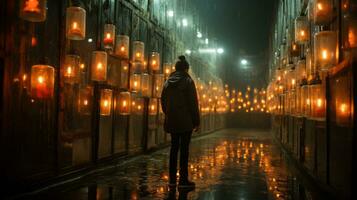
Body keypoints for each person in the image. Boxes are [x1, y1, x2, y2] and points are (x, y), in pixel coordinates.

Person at [161, 55, 200, 189]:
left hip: (172, 120)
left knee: (173, 148)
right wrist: (196, 121)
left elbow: (163, 101)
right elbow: (193, 103)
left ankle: (172, 180)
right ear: (186, 69)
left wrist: (169, 114)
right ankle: (183, 180)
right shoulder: (188, 81)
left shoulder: (167, 82)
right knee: (184, 150)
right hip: (185, 122)